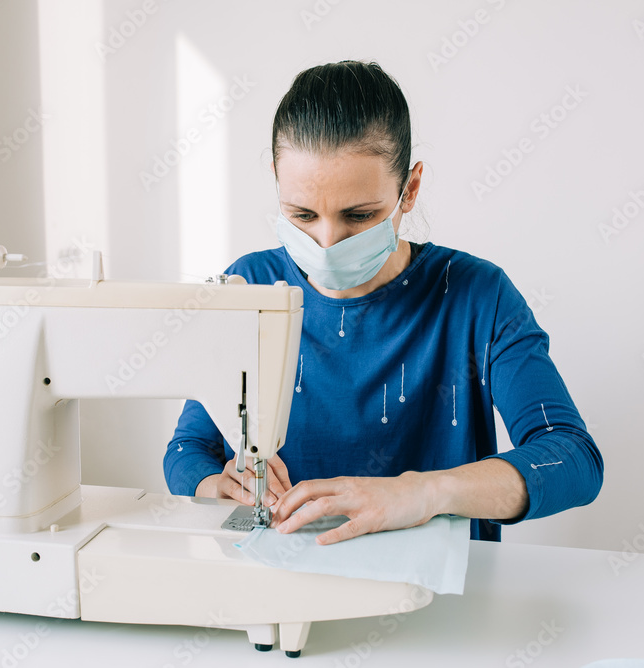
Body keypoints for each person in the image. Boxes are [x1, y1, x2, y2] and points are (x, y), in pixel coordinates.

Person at [163, 60, 603, 545]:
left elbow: (572, 458)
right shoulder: (250, 285)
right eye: (302, 214)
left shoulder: (479, 296)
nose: (327, 242)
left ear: (408, 190)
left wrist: (424, 493)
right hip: (283, 579)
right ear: (276, 181)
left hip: (434, 597)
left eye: (360, 215)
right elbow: (188, 449)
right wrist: (213, 485)